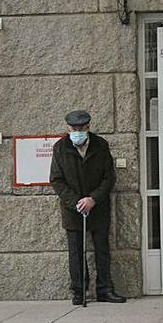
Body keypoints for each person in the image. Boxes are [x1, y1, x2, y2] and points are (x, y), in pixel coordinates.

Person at [49, 110, 125, 305]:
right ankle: (79, 291)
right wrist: (76, 202)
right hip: (73, 209)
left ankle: (105, 289)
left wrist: (92, 199)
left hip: (98, 207)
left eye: (81, 128)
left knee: (102, 250)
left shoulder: (101, 145)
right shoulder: (60, 148)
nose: (77, 132)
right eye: (74, 129)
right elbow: (56, 181)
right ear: (68, 128)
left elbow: (109, 178)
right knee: (76, 252)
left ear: (88, 127)